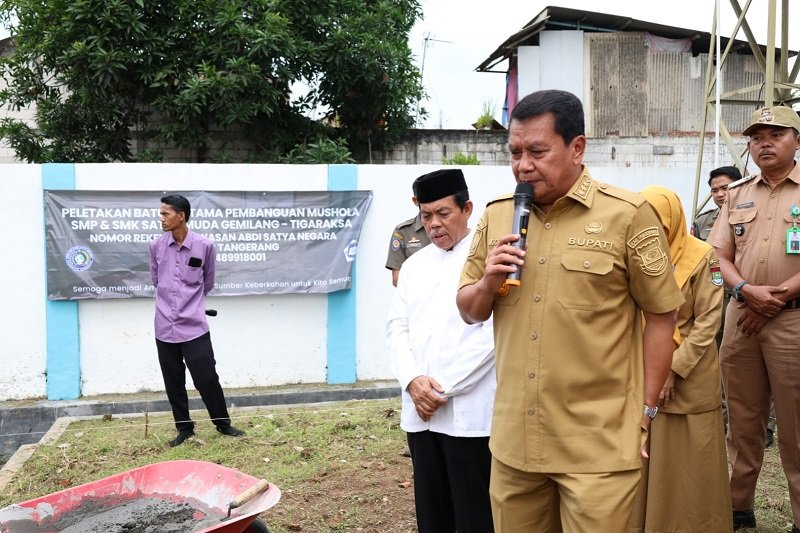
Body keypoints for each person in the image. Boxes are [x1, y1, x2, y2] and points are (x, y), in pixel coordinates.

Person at [456, 89, 684, 532]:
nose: (523, 165)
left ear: (577, 147)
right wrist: (487, 283)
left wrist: (645, 413)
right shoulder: (498, 215)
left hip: (597, 447)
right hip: (515, 445)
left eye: (537, 151)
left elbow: (662, 317)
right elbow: (468, 310)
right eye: (515, 152)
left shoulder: (628, 215)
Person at [387, 168, 496, 533]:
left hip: (471, 412)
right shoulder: (414, 265)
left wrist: (440, 390)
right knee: (432, 515)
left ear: (467, 209)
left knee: (475, 516)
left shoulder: (489, 261)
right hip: (421, 413)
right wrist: (413, 381)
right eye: (426, 215)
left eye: (443, 213)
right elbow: (396, 328)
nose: (434, 224)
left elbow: (493, 336)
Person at [707, 105, 800, 531]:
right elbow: (716, 257)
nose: (764, 143)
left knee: (795, 429)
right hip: (742, 319)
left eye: (775, 134)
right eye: (756, 137)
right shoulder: (737, 193)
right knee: (742, 424)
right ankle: (738, 507)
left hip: (792, 323)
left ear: (797, 141)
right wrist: (746, 290)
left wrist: (775, 299)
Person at [629, 186, 732, 532]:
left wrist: (671, 369)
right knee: (647, 455)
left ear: (673, 220)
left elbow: (708, 321)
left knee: (691, 462)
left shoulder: (703, 256)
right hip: (643, 370)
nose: (651, 232)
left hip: (690, 374)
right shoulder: (638, 257)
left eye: (658, 224)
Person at [150, 194, 245, 447]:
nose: (161, 218)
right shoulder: (156, 246)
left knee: (206, 378)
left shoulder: (205, 246)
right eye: (161, 214)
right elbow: (156, 280)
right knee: (173, 381)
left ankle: (223, 424)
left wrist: (189, 305)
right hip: (164, 326)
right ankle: (184, 428)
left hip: (194, 326)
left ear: (180, 216)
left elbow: (208, 282)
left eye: (165, 214)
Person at [694, 165, 777, 447]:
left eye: (724, 188)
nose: (720, 194)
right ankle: (724, 419)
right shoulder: (703, 221)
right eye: (714, 190)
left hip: (749, 298)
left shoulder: (760, 213)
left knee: (762, 365)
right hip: (715, 297)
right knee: (721, 359)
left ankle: (765, 425)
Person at [385, 180, 431, 286]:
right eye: (428, 196)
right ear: (416, 201)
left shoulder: (450, 227)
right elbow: (397, 279)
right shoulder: (403, 231)